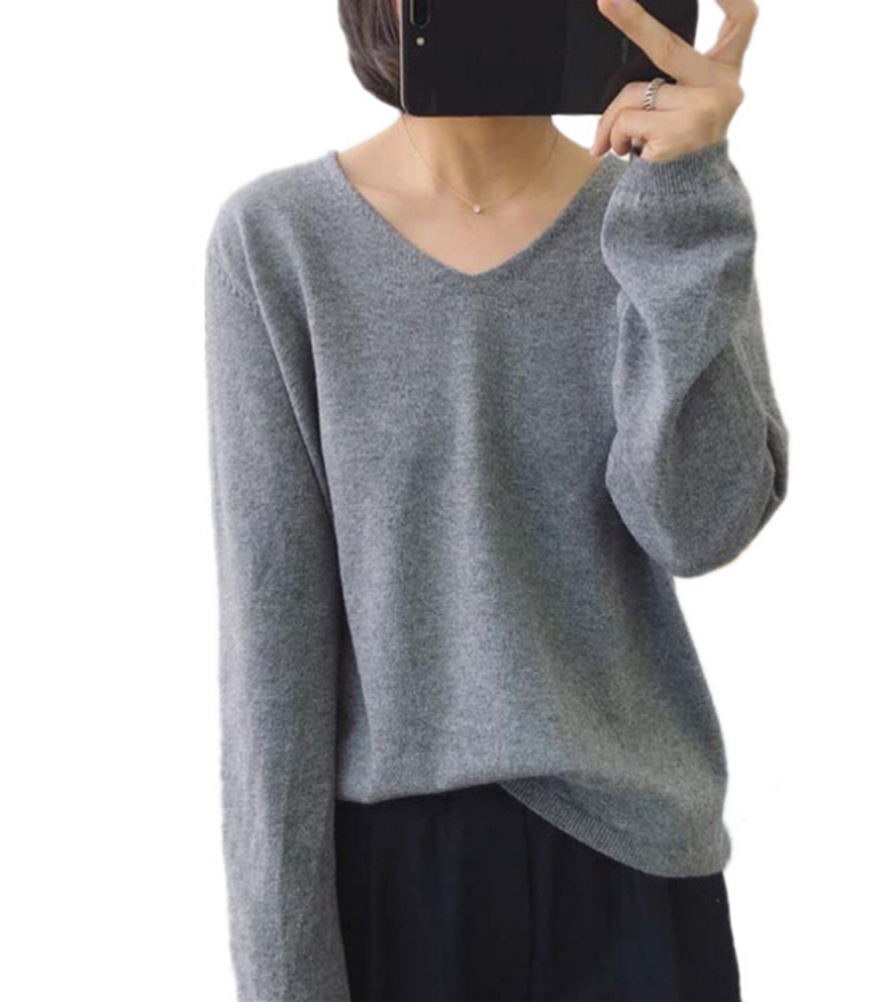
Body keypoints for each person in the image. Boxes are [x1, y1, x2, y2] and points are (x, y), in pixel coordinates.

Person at [203, 0, 786, 999]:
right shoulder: (279, 242)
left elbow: (700, 524)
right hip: (395, 885)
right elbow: (272, 648)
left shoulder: (656, 212)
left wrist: (688, 195)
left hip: (636, 868)